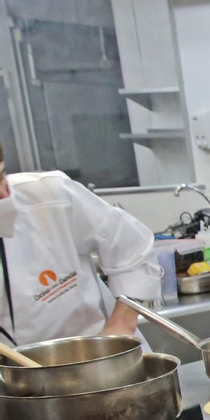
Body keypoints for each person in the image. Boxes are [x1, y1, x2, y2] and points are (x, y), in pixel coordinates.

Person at [0, 144, 160, 346]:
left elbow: (133, 247)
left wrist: (120, 327)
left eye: (1, 176)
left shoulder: (48, 196)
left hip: (101, 355)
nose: (4, 195)